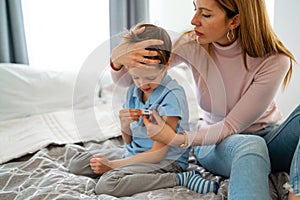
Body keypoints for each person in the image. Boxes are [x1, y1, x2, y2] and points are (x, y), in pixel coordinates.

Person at [109, 1, 300, 200]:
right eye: (195, 9)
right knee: (250, 145)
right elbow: (129, 80)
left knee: (257, 142)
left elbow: (232, 125)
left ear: (235, 20)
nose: (194, 21)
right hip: (215, 144)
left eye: (206, 14)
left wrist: (176, 138)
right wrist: (118, 57)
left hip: (268, 138)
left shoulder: (276, 60)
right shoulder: (192, 44)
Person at [69, 23, 218, 197]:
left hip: (166, 160)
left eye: (150, 77)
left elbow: (158, 154)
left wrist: (113, 165)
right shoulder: (134, 89)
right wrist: (124, 125)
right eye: (136, 76)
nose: (142, 84)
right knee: (77, 163)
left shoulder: (172, 95)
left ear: (167, 64)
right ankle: (126, 168)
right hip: (137, 153)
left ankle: (181, 178)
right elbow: (130, 142)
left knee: (107, 185)